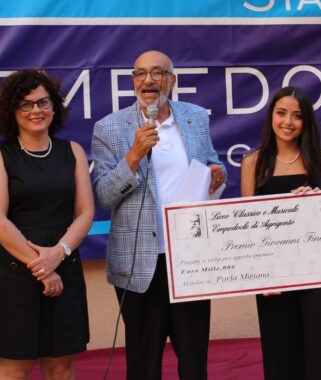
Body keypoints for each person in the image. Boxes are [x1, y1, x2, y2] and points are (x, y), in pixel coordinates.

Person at [91, 50, 226, 380]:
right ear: (133, 81)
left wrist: (217, 173)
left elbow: (211, 162)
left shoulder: (195, 117)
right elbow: (104, 195)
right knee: (144, 363)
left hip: (189, 259)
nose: (148, 80)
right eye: (140, 73)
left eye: (157, 73)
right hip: (140, 263)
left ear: (172, 80)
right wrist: (134, 156)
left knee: (194, 359)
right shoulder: (109, 128)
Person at [0, 69, 94, 379]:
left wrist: (58, 254)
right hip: (15, 273)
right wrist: (43, 267)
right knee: (14, 372)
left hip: (64, 266)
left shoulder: (73, 151)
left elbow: (85, 212)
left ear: (54, 106)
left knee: (61, 368)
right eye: (25, 104)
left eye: (43, 102)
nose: (36, 110)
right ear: (12, 111)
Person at [240, 86, 321, 380]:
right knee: (282, 354)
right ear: (271, 116)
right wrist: (260, 274)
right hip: (275, 277)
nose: (287, 122)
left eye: (297, 116)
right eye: (281, 113)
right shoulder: (253, 162)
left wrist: (318, 200)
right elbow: (247, 226)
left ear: (306, 121)